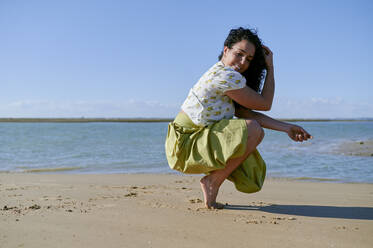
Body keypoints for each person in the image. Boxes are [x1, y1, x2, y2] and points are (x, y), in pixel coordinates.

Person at [165, 27, 312, 209]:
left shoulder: (227, 76)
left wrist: (287, 128)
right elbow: (265, 104)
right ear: (226, 50)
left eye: (249, 59)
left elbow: (246, 114)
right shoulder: (224, 76)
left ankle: (213, 181)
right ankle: (212, 182)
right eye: (239, 54)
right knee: (254, 130)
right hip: (186, 145)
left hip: (195, 140)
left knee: (251, 177)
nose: (242, 62)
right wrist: (270, 67)